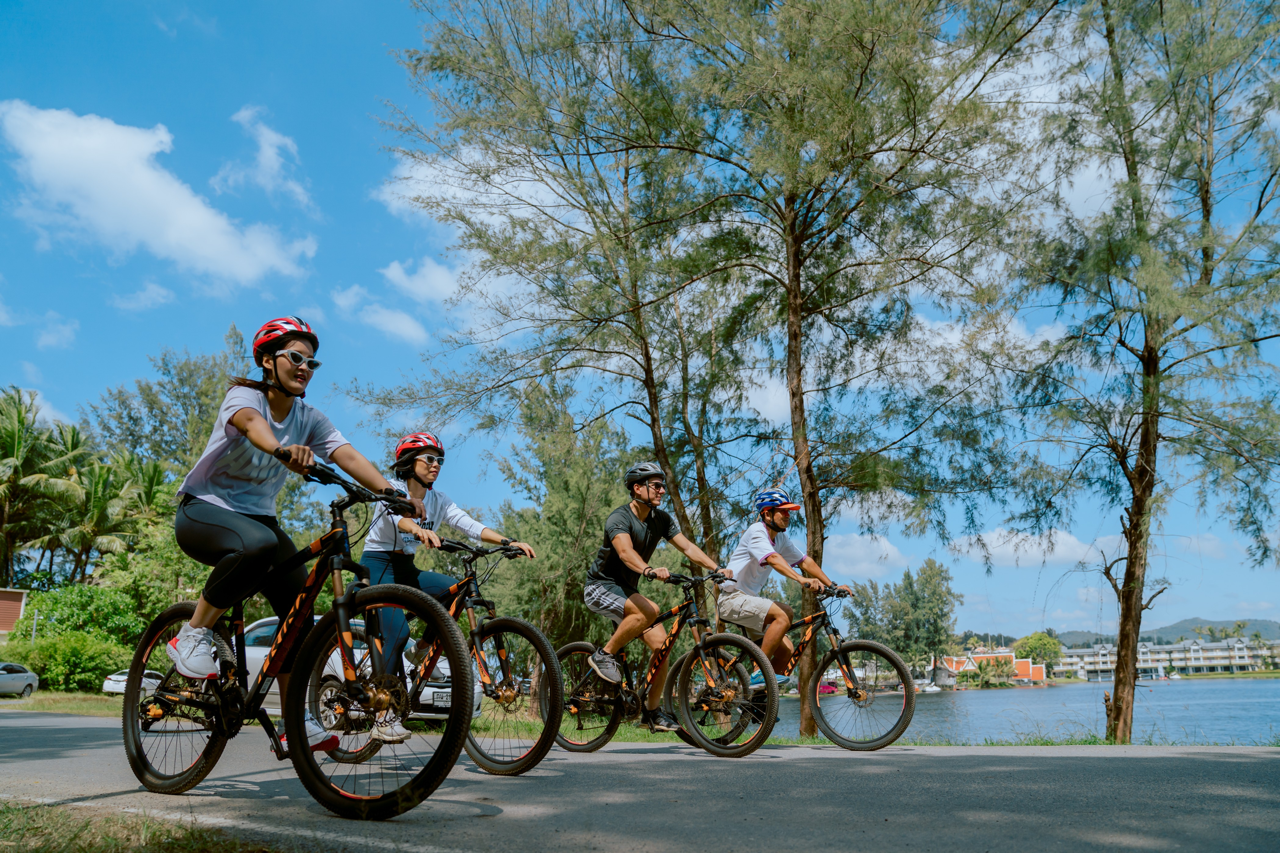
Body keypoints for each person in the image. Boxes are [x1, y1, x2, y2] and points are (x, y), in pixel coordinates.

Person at [168, 316, 420, 752]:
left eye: (312, 363)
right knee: (260, 544)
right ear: (268, 361)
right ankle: (191, 634)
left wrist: (390, 493)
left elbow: (346, 454)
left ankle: (295, 721)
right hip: (204, 512)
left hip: (258, 523)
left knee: (298, 613)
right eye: (295, 358)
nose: (304, 367)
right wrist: (281, 449)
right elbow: (252, 426)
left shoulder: (309, 418)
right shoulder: (245, 396)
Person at [359, 431, 536, 743]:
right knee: (397, 632)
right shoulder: (393, 489)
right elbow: (396, 518)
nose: (436, 465)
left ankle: (421, 651)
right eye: (429, 459)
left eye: (439, 460)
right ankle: (382, 714)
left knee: (453, 591)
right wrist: (416, 527)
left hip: (406, 569)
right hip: (378, 565)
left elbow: (468, 524)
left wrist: (508, 541)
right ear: (408, 462)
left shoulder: (438, 500)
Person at [582, 461, 728, 733]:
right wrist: (648, 570)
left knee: (662, 646)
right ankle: (604, 655)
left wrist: (716, 568)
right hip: (600, 587)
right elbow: (625, 553)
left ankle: (651, 712)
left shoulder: (661, 520)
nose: (662, 491)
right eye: (656, 485)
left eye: (663, 486)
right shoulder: (620, 518)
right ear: (637, 488)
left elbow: (687, 547)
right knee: (650, 609)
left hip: (626, 591)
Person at [719, 488, 851, 675]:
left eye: (789, 511)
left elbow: (805, 561)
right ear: (767, 513)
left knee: (787, 651)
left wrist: (832, 586)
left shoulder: (780, 538)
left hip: (749, 602)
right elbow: (773, 558)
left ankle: (758, 699)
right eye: (783, 511)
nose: (788, 515)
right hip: (732, 600)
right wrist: (800, 579)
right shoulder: (756, 532)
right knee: (784, 613)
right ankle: (759, 674)